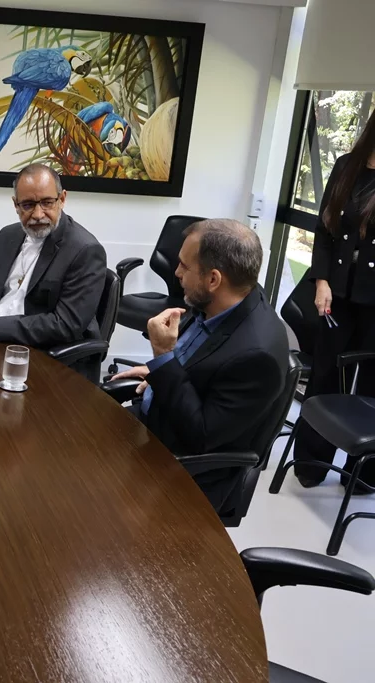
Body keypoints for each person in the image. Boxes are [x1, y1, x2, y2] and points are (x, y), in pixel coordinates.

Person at [109, 219, 289, 509]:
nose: (177, 273)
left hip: (178, 468)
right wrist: (158, 371)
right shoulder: (224, 300)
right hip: (156, 419)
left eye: (184, 266)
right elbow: (203, 365)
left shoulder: (257, 356)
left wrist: (163, 358)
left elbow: (200, 436)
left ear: (213, 279)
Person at [0, 163, 107, 380]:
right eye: (28, 205)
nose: (37, 214)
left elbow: (66, 325)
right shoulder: (7, 236)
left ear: (62, 199)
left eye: (47, 203)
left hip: (48, 360)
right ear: (15, 205)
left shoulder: (85, 250)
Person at [294, 114, 375, 488]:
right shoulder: (347, 166)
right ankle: (310, 465)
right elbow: (324, 230)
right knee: (325, 375)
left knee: (372, 385)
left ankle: (364, 476)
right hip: (337, 293)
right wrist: (321, 282)